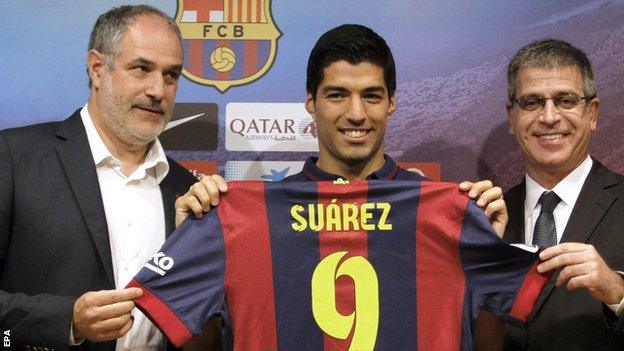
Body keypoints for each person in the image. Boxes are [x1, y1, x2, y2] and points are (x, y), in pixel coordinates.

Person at [0, 5, 202, 350]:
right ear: (97, 68)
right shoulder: (14, 158)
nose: (158, 90)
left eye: (171, 75)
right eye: (141, 68)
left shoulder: (188, 191)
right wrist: (67, 320)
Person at [500, 39, 624, 350]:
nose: (549, 117)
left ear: (592, 113)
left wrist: (617, 294)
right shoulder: (486, 217)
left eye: (565, 100)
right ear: (511, 118)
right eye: (532, 102)